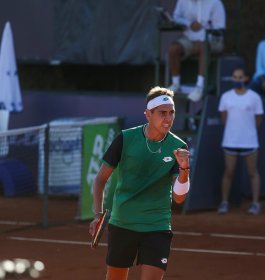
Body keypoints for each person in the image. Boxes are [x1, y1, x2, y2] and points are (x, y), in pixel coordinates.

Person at [89, 87, 190, 280]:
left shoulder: (178, 147)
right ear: (148, 114)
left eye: (171, 113)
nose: (168, 118)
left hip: (156, 226)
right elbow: (101, 179)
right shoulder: (125, 139)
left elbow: (179, 197)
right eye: (162, 113)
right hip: (123, 223)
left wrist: (185, 168)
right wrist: (97, 214)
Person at [217, 65, 264, 215]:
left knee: (252, 172)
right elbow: (224, 118)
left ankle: (256, 203)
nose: (238, 80)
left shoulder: (255, 97)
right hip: (230, 141)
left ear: (246, 78)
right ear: (232, 79)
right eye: (235, 77)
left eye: (240, 77)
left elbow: (258, 119)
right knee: (228, 172)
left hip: (249, 141)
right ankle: (224, 202)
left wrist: (247, 132)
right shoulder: (226, 97)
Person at [168, 0, 226, 102]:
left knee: (203, 47)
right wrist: (189, 23)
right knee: (173, 49)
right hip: (189, 39)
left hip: (212, 40)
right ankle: (175, 83)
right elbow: (176, 17)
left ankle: (199, 86)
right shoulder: (182, 1)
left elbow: (219, 28)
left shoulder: (215, 3)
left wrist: (204, 37)